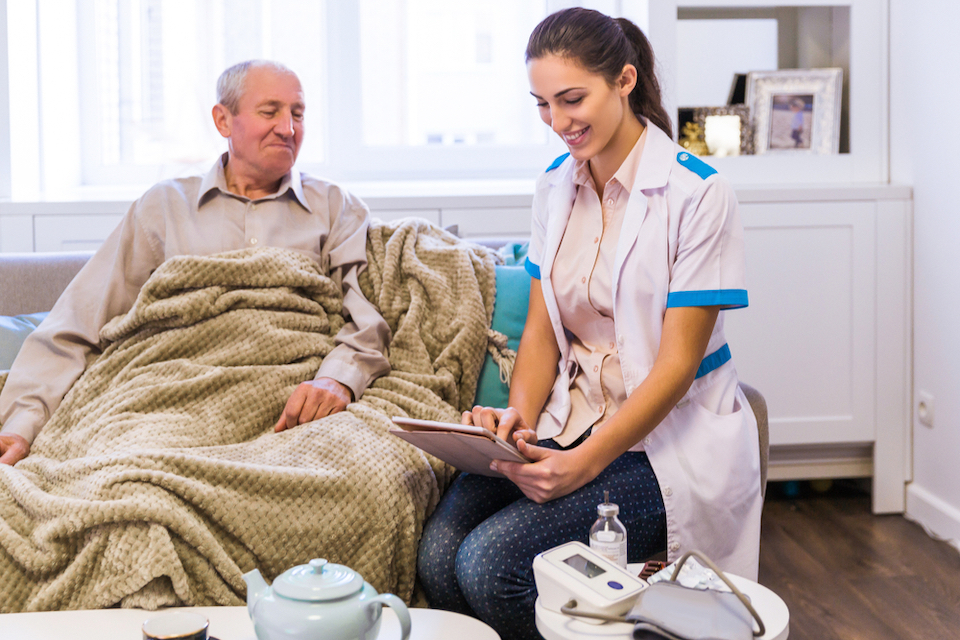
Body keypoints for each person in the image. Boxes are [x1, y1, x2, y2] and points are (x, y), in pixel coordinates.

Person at [416, 8, 762, 639]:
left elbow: (677, 366)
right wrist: (516, 417)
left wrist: (583, 465)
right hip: (570, 421)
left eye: (572, 99)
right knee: (440, 554)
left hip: (663, 445)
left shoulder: (697, 194)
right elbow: (545, 329)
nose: (558, 122)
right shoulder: (554, 187)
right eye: (542, 104)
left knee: (491, 565)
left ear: (625, 80)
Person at [0, 60, 391, 466]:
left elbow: (365, 319)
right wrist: (19, 424)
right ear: (223, 120)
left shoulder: (336, 207)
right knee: (121, 473)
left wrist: (336, 379)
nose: (288, 129)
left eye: (297, 113)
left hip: (286, 409)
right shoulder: (164, 206)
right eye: (269, 111)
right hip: (166, 399)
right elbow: (77, 323)